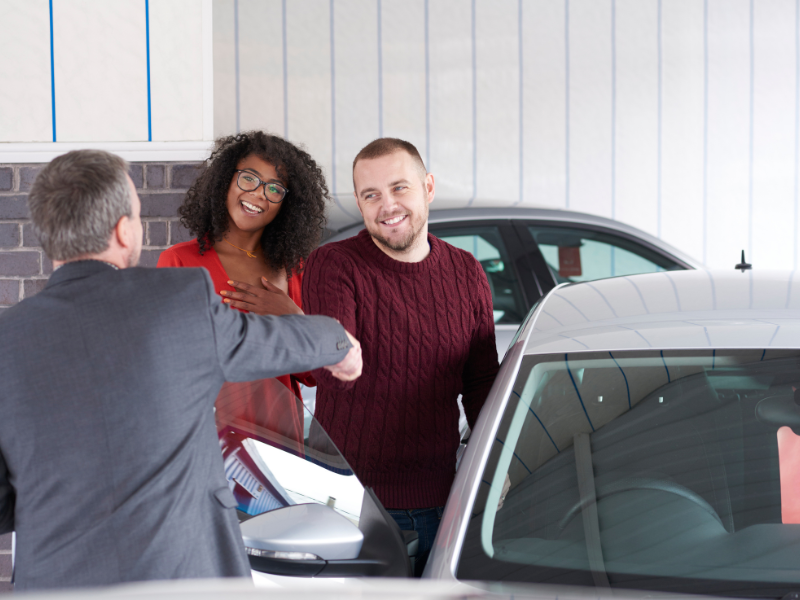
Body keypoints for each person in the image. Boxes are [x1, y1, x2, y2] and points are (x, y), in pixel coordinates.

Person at [0, 150, 362, 591]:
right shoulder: (179, 300)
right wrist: (340, 344)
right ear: (124, 230)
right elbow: (272, 342)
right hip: (183, 579)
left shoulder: (7, 340)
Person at [301, 137, 499, 575]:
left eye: (399, 188)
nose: (387, 206)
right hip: (349, 504)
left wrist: (496, 464)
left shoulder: (467, 271)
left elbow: (482, 381)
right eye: (371, 195)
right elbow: (329, 362)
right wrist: (336, 350)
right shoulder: (333, 264)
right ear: (359, 203)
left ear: (428, 187)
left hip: (441, 501)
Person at [157, 131, 328, 444]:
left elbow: (315, 375)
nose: (259, 194)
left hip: (282, 445)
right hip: (209, 442)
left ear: (287, 204)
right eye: (249, 178)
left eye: (275, 188)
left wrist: (294, 319)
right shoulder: (179, 261)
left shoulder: (295, 270)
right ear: (226, 180)